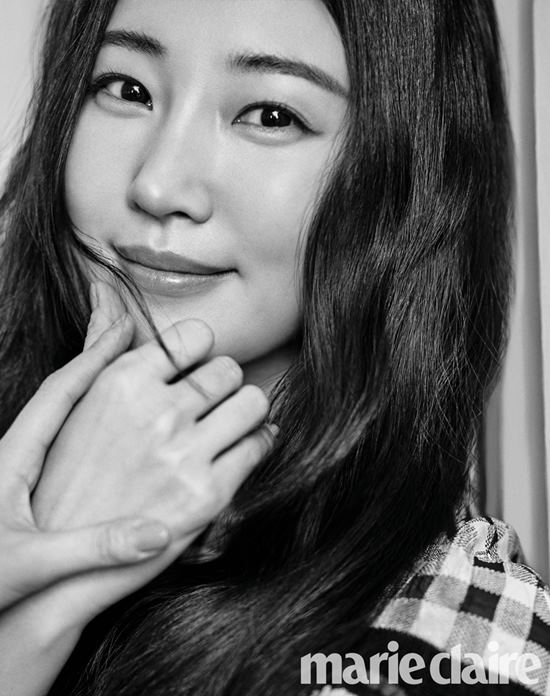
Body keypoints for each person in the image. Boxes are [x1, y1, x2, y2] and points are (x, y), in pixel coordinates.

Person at [0, 0, 548, 694]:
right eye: (126, 88)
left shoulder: (456, 639)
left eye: (270, 115)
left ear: (408, 177)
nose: (157, 185)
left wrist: (41, 602)